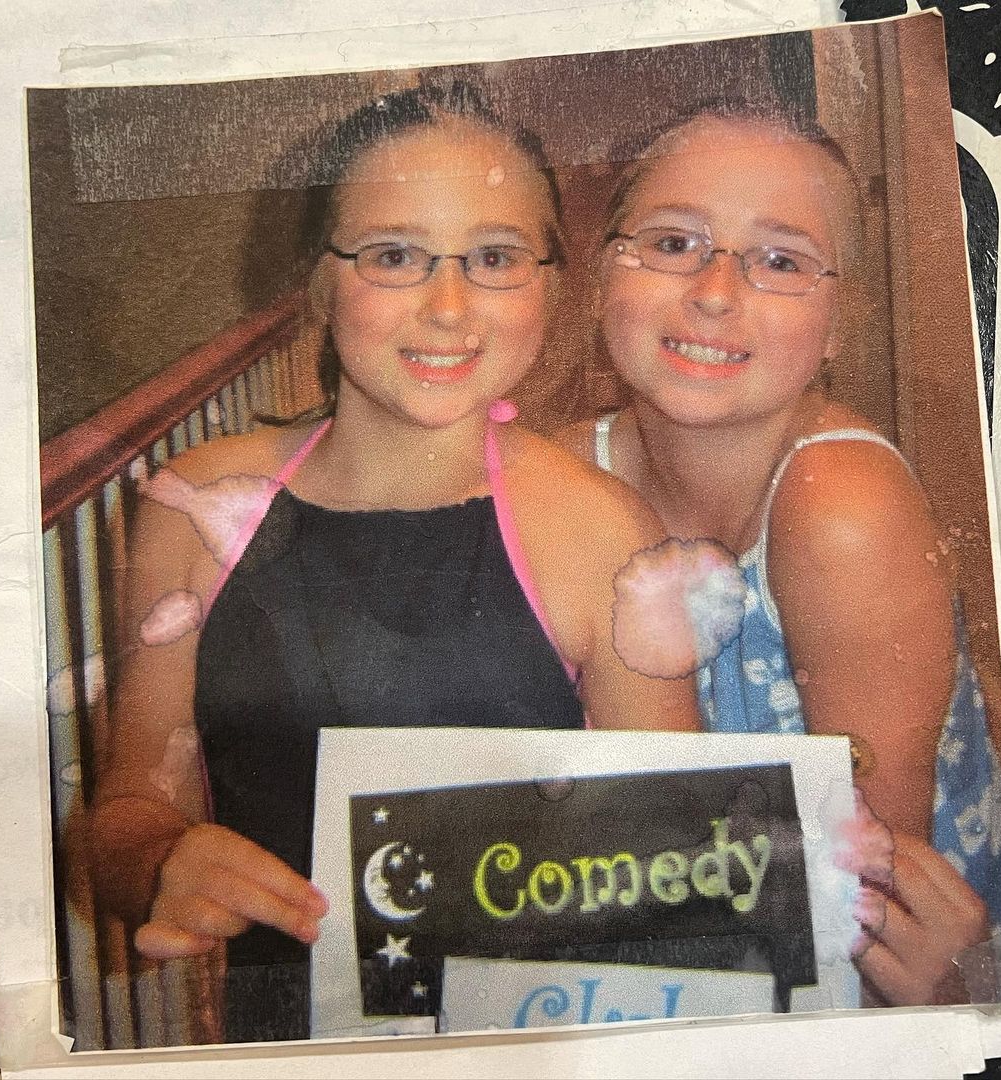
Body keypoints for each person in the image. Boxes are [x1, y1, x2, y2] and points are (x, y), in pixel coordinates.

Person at [88, 81, 699, 1042]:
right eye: (394, 256)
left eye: (493, 257)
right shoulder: (195, 511)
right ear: (319, 285)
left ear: (549, 283)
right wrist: (161, 859)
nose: (448, 308)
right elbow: (124, 808)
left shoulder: (602, 536)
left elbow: (681, 867)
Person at [561, 101, 1001, 1006]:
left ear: (839, 323)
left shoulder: (842, 507)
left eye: (780, 260)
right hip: (710, 924)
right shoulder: (567, 480)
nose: (715, 291)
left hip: (900, 971)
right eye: (673, 242)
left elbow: (875, 903)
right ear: (602, 275)